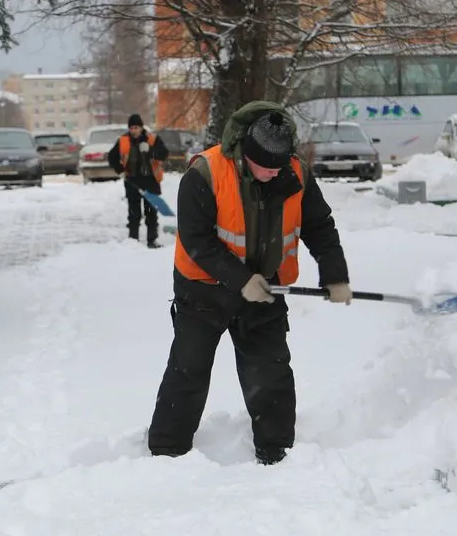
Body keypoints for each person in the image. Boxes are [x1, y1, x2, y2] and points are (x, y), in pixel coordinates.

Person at [146, 101, 353, 466]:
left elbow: (320, 226)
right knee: (189, 369)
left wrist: (335, 275)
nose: (275, 172)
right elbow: (197, 241)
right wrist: (242, 279)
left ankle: (279, 455)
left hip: (266, 289)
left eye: (281, 164)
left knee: (270, 371)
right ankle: (166, 454)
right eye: (267, 166)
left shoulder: (295, 174)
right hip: (203, 290)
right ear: (246, 153)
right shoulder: (206, 173)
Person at [107, 114, 170, 248]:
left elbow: (164, 154)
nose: (134, 130)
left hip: (151, 181)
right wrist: (121, 171)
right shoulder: (123, 140)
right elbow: (112, 157)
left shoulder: (152, 139)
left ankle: (152, 240)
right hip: (132, 181)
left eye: (136, 127)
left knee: (151, 213)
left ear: (141, 128)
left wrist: (151, 150)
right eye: (131, 128)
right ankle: (133, 240)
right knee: (134, 213)